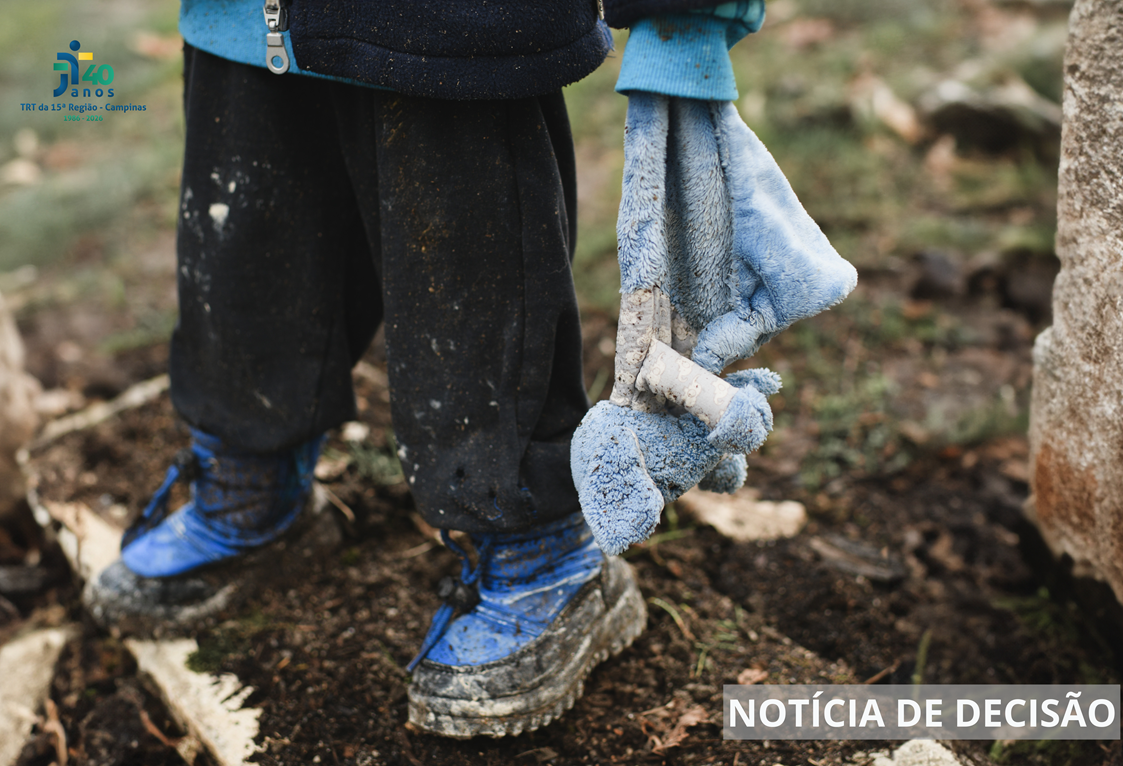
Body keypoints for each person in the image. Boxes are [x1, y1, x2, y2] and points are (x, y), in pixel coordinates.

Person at [85, 0, 767, 738]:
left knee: (471, 288)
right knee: (245, 248)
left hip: (458, 30)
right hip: (244, 19)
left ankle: (544, 556)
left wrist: (690, 17)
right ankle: (252, 486)